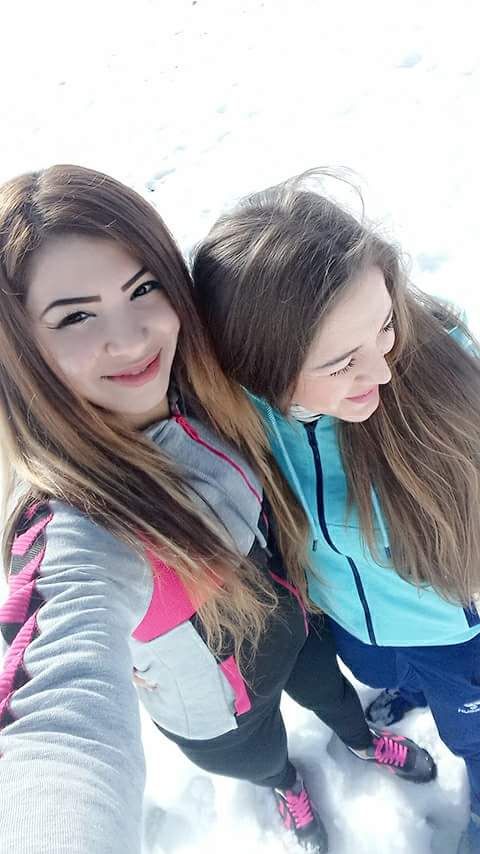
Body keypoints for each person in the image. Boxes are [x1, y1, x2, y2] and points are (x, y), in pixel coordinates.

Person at [0, 166, 434, 854]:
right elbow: (54, 720)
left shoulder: (197, 387)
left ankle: (359, 740)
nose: (132, 338)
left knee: (336, 698)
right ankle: (285, 785)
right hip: (216, 710)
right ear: (19, 349)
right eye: (76, 316)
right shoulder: (71, 522)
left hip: (297, 624)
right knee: (262, 758)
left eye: (143, 288)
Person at [192, 170, 480, 854]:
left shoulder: (446, 381)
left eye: (386, 326)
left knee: (471, 733)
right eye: (343, 361)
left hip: (453, 631)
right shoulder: (242, 412)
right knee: (383, 671)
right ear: (257, 369)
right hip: (349, 618)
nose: (382, 371)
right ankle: (410, 689)